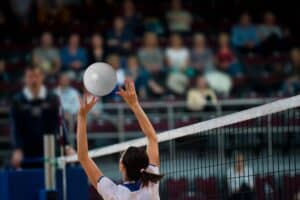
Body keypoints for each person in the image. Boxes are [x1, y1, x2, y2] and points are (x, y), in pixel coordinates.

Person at [77, 79, 163, 199]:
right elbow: (152, 137)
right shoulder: (151, 181)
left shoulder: (114, 193)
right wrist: (135, 105)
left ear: (121, 166)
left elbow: (83, 157)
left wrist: (82, 117)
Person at [10, 66, 74, 169]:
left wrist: (67, 146)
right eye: (30, 77)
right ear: (25, 79)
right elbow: (15, 126)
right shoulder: (17, 100)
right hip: (27, 150)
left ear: (42, 77)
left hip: (50, 148)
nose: (33, 80)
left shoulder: (53, 98)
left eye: (36, 76)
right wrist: (17, 149)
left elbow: (60, 123)